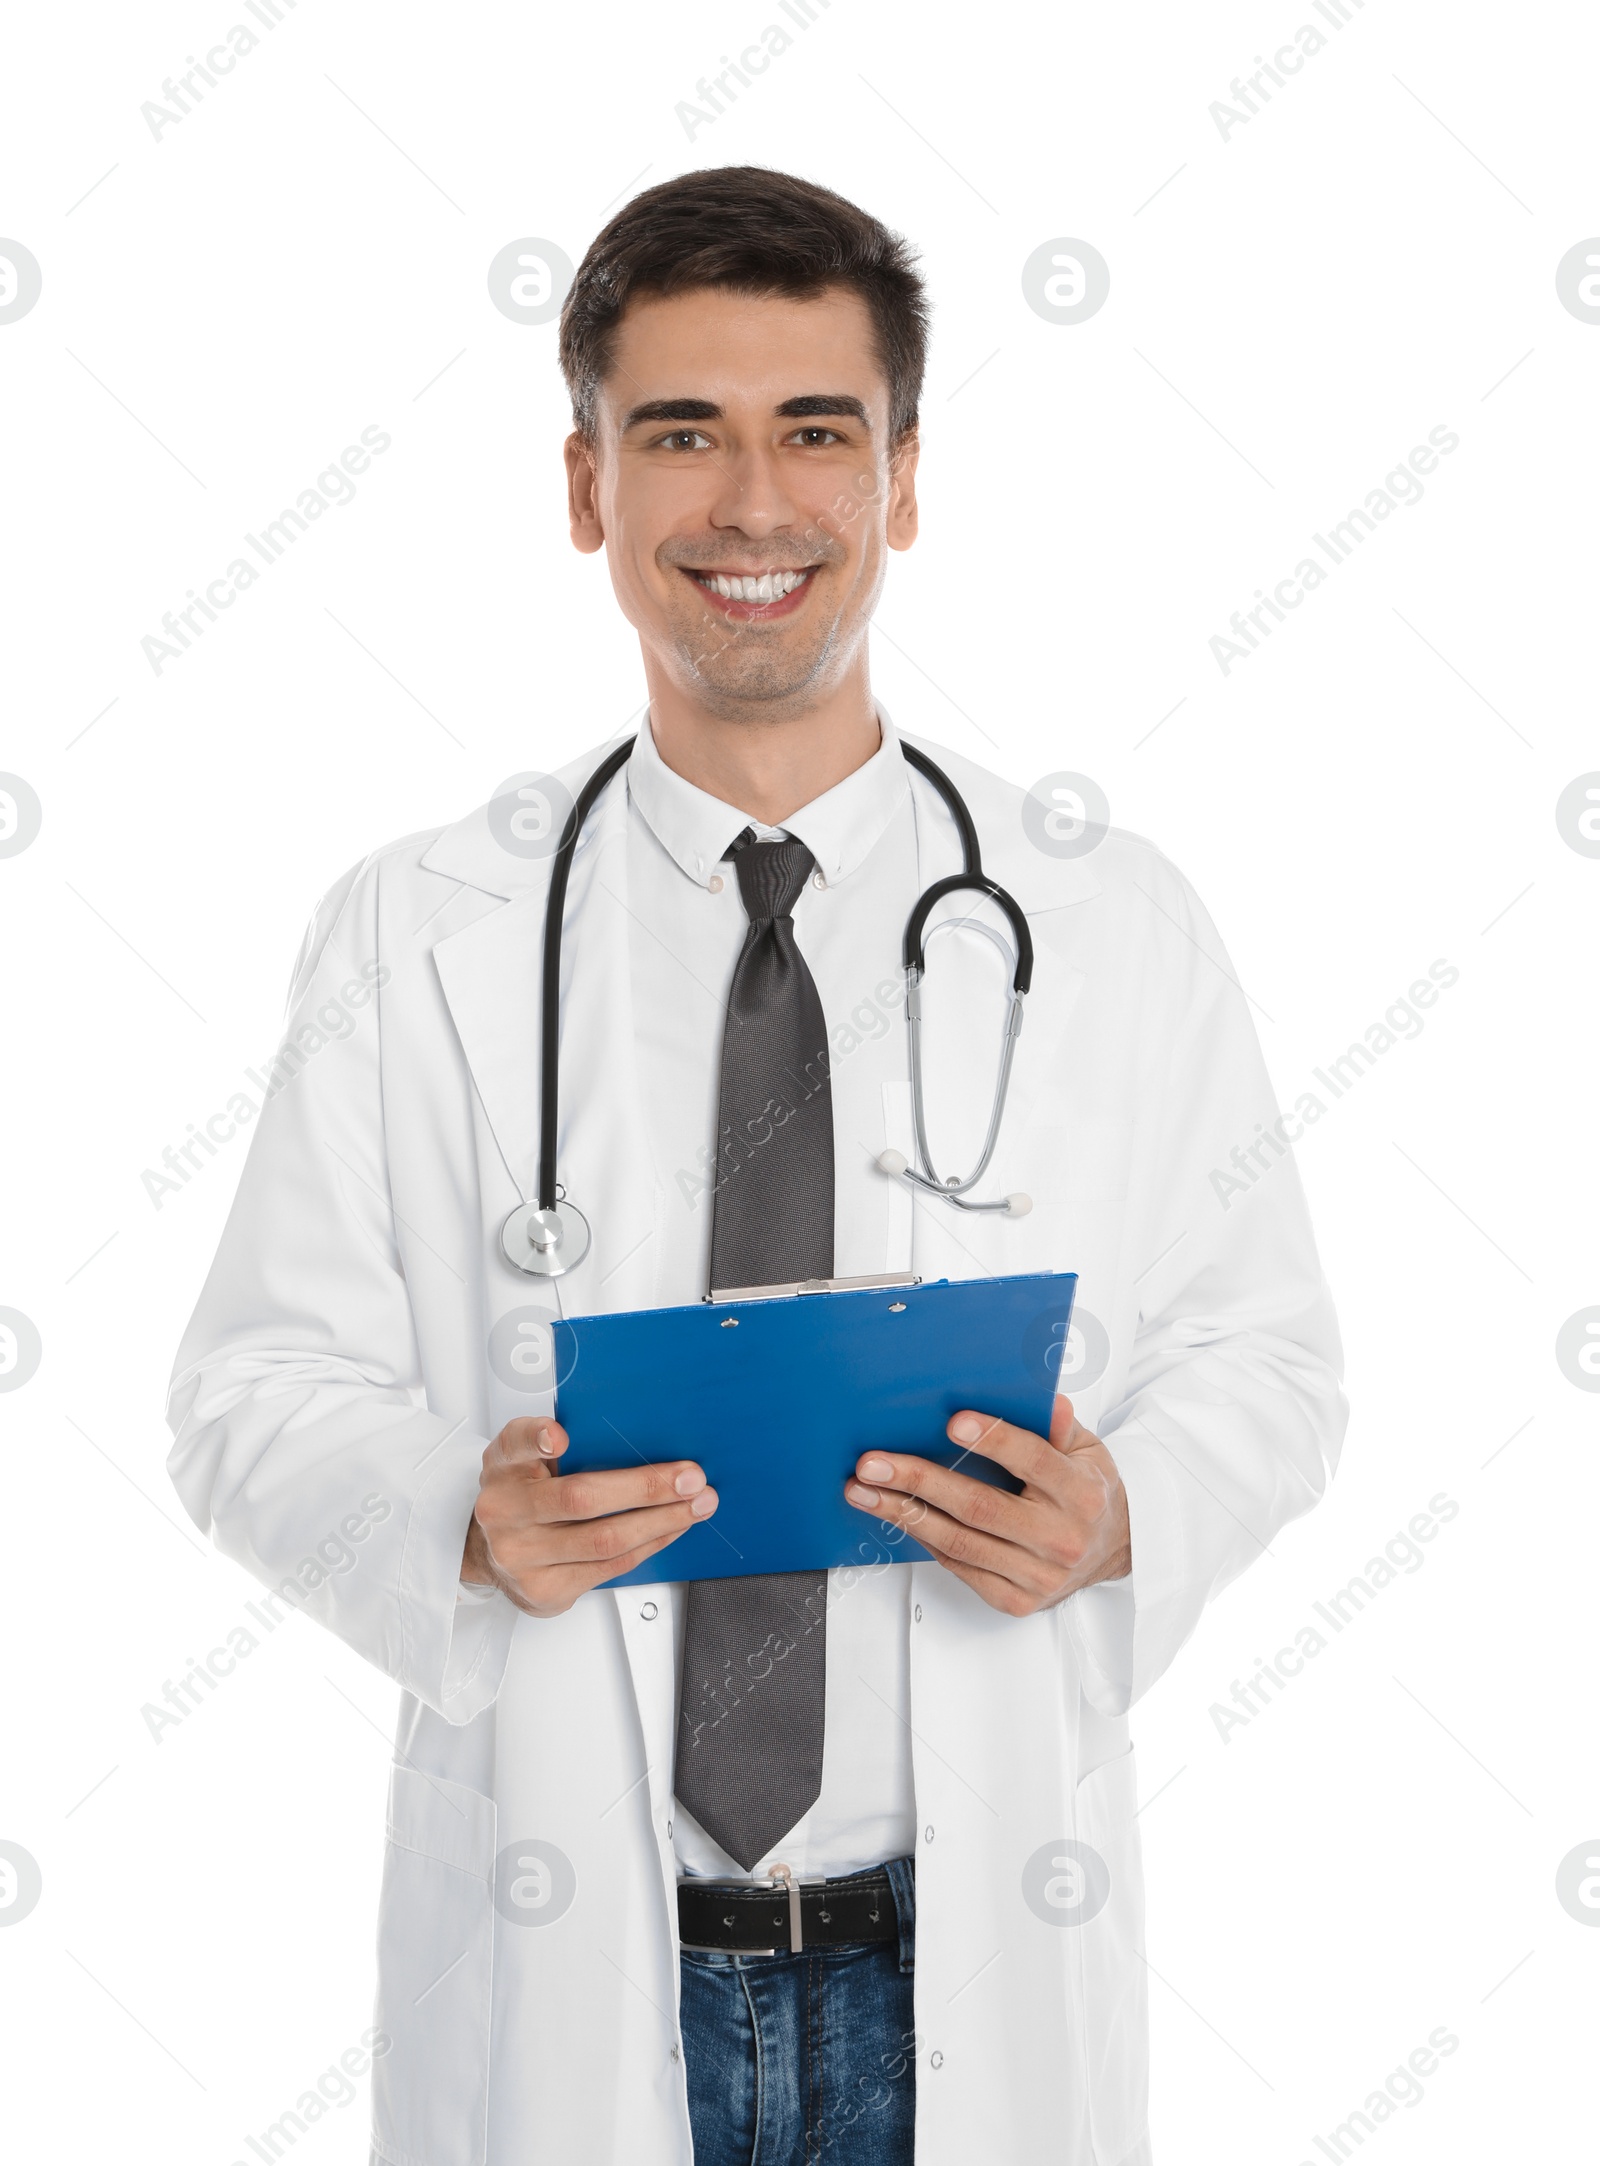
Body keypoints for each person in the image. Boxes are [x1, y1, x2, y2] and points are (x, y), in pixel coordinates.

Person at [167, 164, 1345, 2166]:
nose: (751, 506)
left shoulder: (1106, 921)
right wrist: (450, 1517)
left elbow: (1271, 1362)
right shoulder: (416, 933)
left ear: (898, 481)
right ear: (583, 488)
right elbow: (245, 1393)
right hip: (570, 1951)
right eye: (679, 435)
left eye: (815, 432)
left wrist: (1117, 1509)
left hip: (955, 1961)